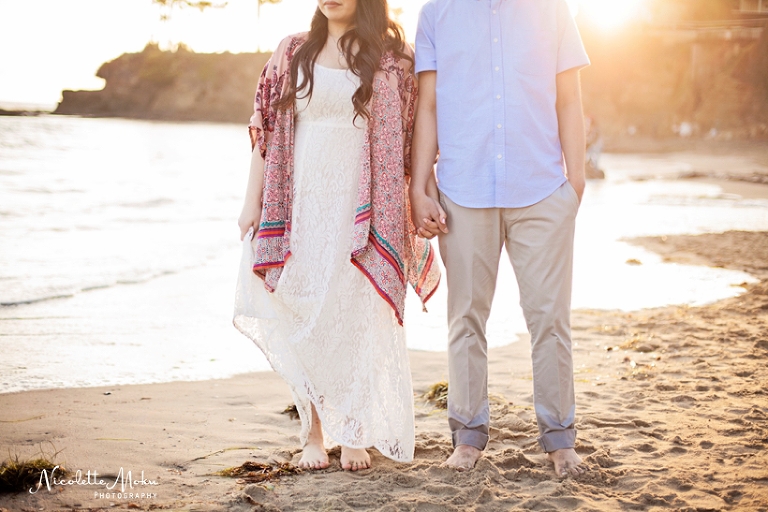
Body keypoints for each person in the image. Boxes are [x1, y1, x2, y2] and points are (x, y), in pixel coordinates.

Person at [233, 0, 440, 472]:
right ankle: (313, 432)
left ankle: (354, 431)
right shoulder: (291, 52)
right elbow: (264, 131)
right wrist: (252, 204)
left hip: (360, 210)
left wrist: (423, 194)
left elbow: (413, 136)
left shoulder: (392, 61)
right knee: (301, 314)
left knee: (354, 317)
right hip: (298, 207)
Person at [409, 0, 590, 477]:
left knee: (550, 319)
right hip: (462, 190)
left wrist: (576, 183)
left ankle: (559, 440)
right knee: (465, 317)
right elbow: (427, 106)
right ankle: (467, 437)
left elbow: (569, 98)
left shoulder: (553, 10)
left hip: (542, 189)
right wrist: (417, 184)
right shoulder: (435, 15)